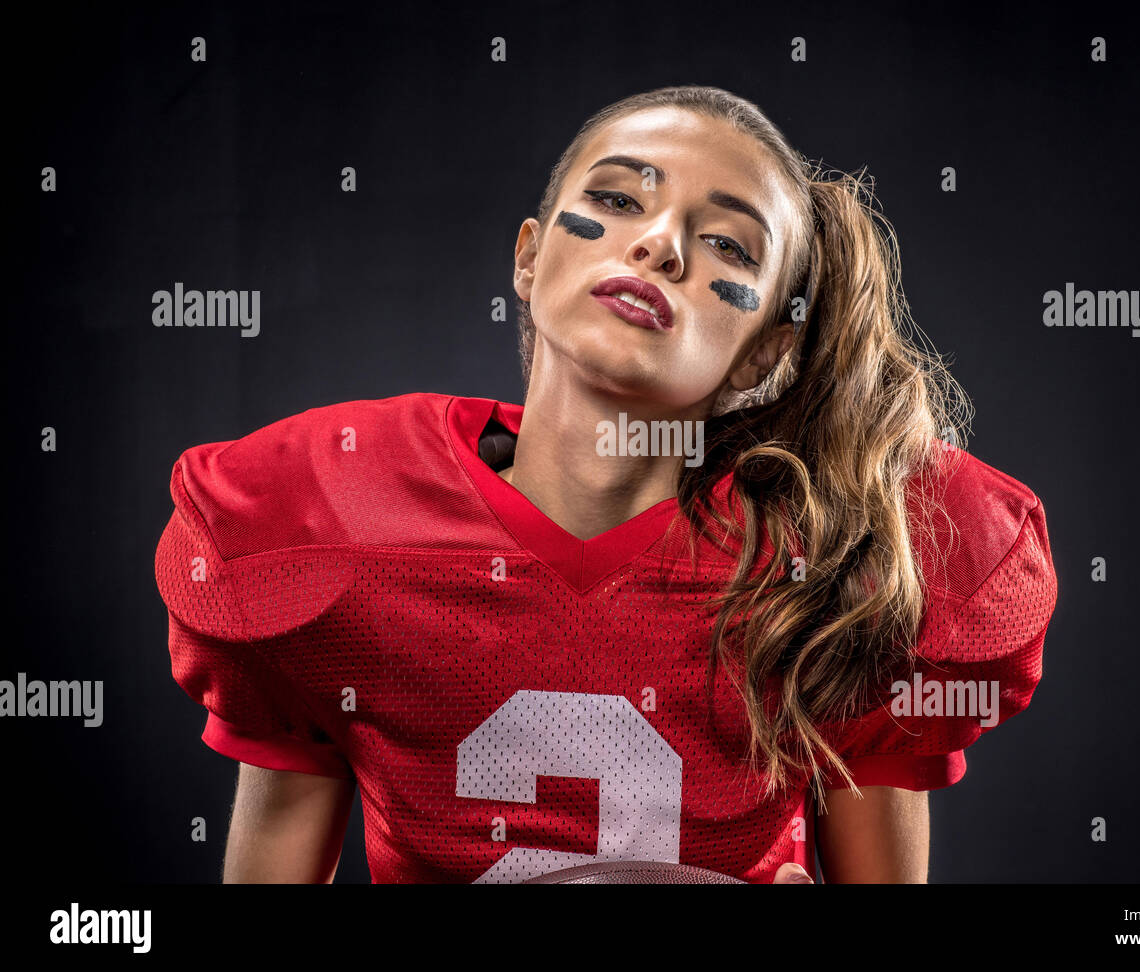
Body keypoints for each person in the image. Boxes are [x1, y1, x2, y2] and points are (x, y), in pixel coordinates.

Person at [155, 85, 1058, 884]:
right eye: (618, 199)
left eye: (729, 249)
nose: (660, 244)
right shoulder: (330, 518)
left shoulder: (840, 559)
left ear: (768, 354)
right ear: (529, 257)